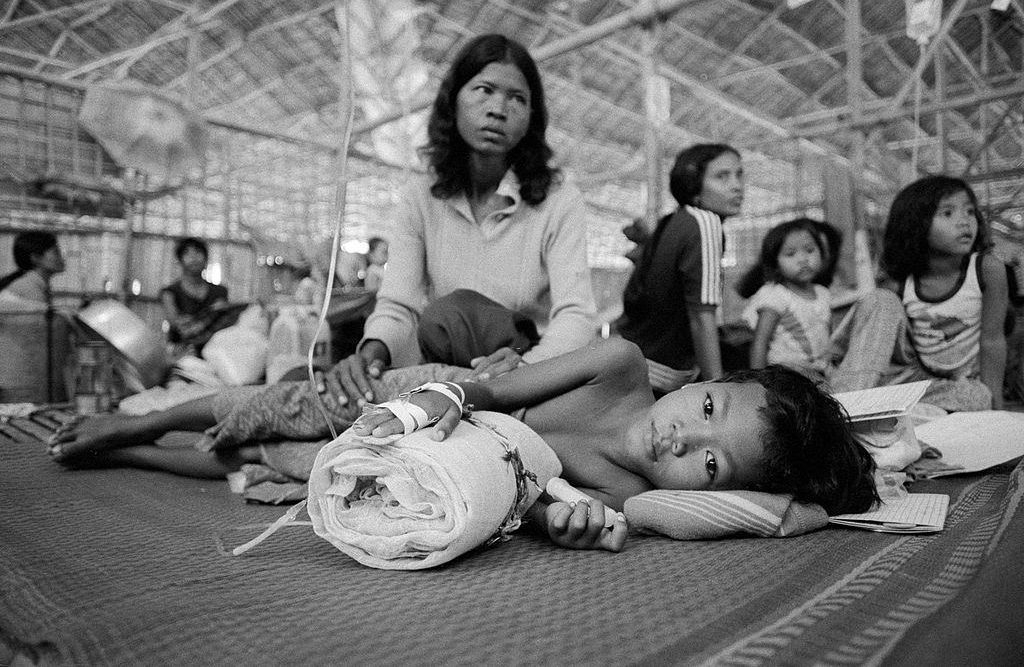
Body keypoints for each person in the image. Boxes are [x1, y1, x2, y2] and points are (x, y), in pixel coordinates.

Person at [48, 337, 878, 552]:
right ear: (705, 379)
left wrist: (568, 526)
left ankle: (124, 451)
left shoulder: (626, 498)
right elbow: (497, 393)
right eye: (705, 404)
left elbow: (535, 507)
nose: (682, 432)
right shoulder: (620, 367)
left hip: (434, 459)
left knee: (267, 463)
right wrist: (440, 399)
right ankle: (142, 418)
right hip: (430, 398)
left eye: (708, 458)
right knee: (276, 408)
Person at [329, 33, 597, 408]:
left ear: (532, 118)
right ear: (452, 101)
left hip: (522, 378)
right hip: (441, 370)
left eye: (517, 98)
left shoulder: (558, 200)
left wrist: (528, 366)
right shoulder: (421, 195)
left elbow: (576, 314)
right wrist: (371, 354)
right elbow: (398, 304)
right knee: (319, 394)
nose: (498, 109)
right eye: (484, 90)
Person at [828, 176, 1007, 411]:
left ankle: (873, 404)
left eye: (970, 211)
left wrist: (996, 407)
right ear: (916, 224)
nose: (965, 222)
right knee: (881, 300)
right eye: (948, 213)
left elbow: (992, 340)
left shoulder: (987, 269)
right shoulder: (901, 282)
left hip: (949, 387)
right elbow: (886, 342)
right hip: (910, 374)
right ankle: (845, 404)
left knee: (979, 399)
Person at [617, 143, 744, 393]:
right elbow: (701, 316)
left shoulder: (673, 221)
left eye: (739, 174)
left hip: (641, 363)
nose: (737, 185)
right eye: (722, 176)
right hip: (670, 375)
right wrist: (716, 390)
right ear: (693, 185)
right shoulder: (705, 222)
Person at [744, 218, 832, 378]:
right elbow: (760, 343)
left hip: (822, 373)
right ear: (775, 263)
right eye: (791, 254)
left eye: (810, 250)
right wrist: (760, 383)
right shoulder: (776, 295)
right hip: (787, 377)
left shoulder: (823, 293)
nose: (803, 259)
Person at [160, 237, 229, 351]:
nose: (194, 258)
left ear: (206, 259)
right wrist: (208, 320)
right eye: (187, 253)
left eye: (198, 252)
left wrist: (196, 324)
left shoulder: (220, 291)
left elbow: (223, 321)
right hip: (180, 351)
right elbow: (176, 322)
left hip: (214, 350)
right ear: (180, 260)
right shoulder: (169, 293)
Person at [0, 231, 66, 307]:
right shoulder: (29, 289)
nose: (62, 256)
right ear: (36, 258)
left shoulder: (36, 284)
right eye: (56, 252)